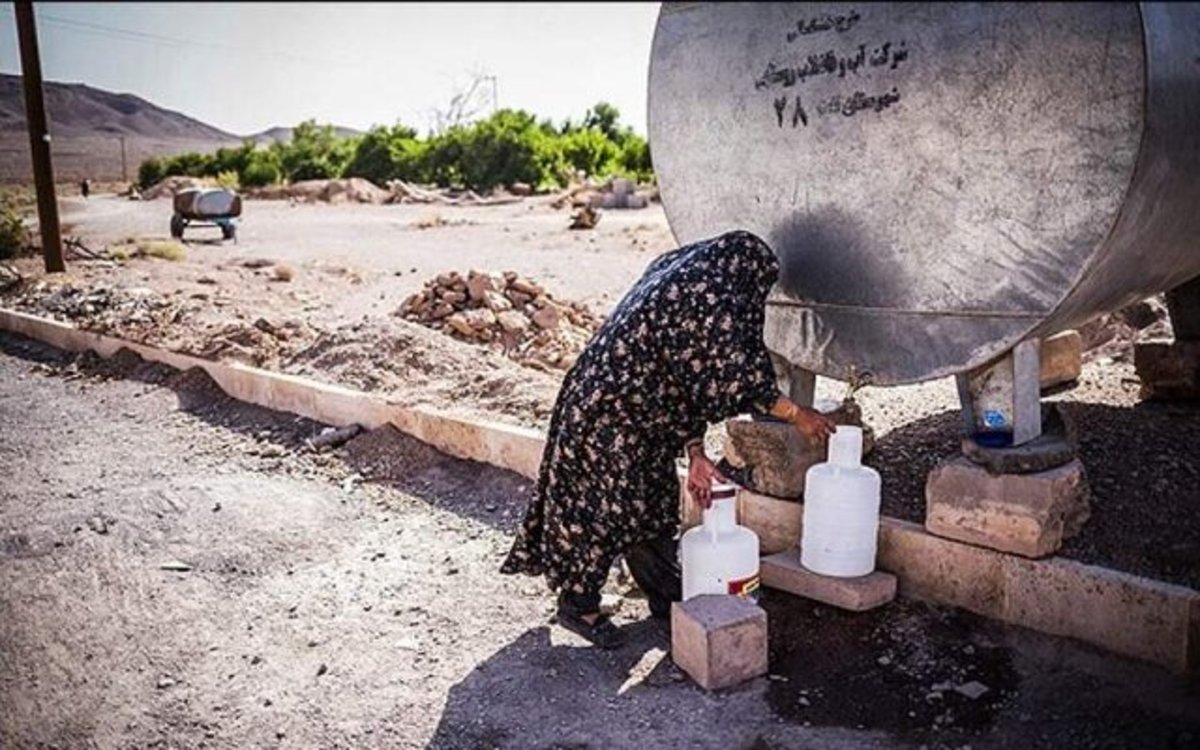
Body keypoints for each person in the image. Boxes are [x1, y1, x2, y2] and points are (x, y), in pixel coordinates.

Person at [501, 230, 836, 649]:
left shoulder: (687, 277)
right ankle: (578, 604)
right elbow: (733, 377)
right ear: (745, 275)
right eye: (759, 287)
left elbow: (686, 376)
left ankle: (665, 594)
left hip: (641, 414)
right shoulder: (706, 297)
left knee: (653, 501)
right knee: (601, 507)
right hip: (606, 412)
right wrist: (797, 413)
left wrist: (696, 452)